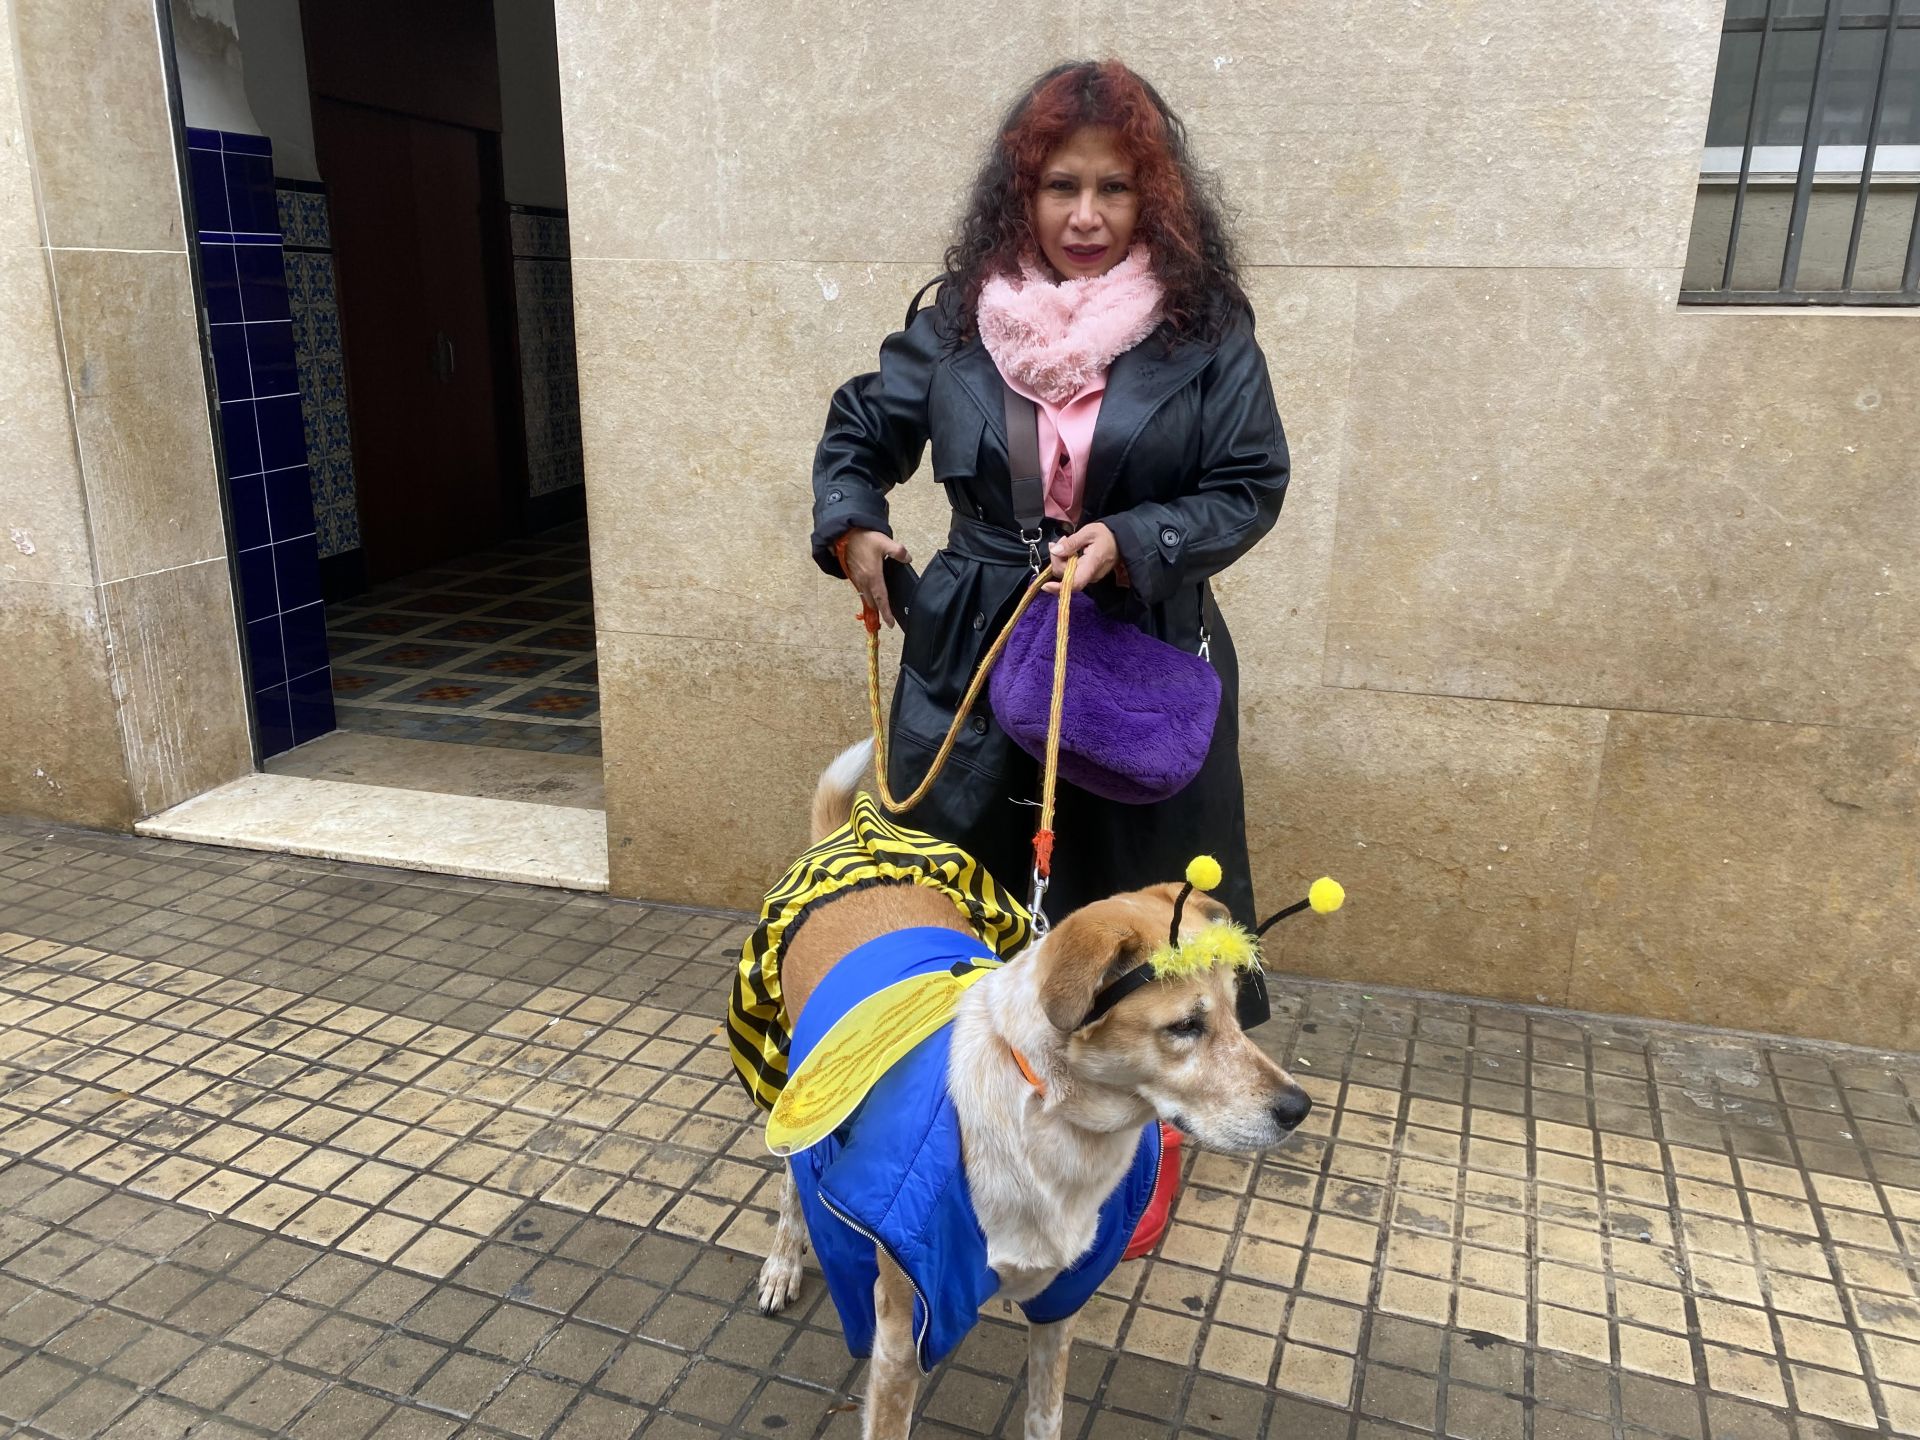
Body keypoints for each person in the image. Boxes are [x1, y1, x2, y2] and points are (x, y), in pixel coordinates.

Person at [808, 59, 1290, 1252]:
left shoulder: (1205, 330)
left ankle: (1130, 1164)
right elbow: (861, 427)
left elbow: (1249, 484)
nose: (1084, 216)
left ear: (1155, 200)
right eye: (1059, 187)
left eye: (1114, 190)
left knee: (1134, 914)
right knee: (953, 895)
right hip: (977, 648)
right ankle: (944, 1138)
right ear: (1019, 195)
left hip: (1134, 659)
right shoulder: (959, 317)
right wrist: (854, 520)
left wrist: (1134, 538)